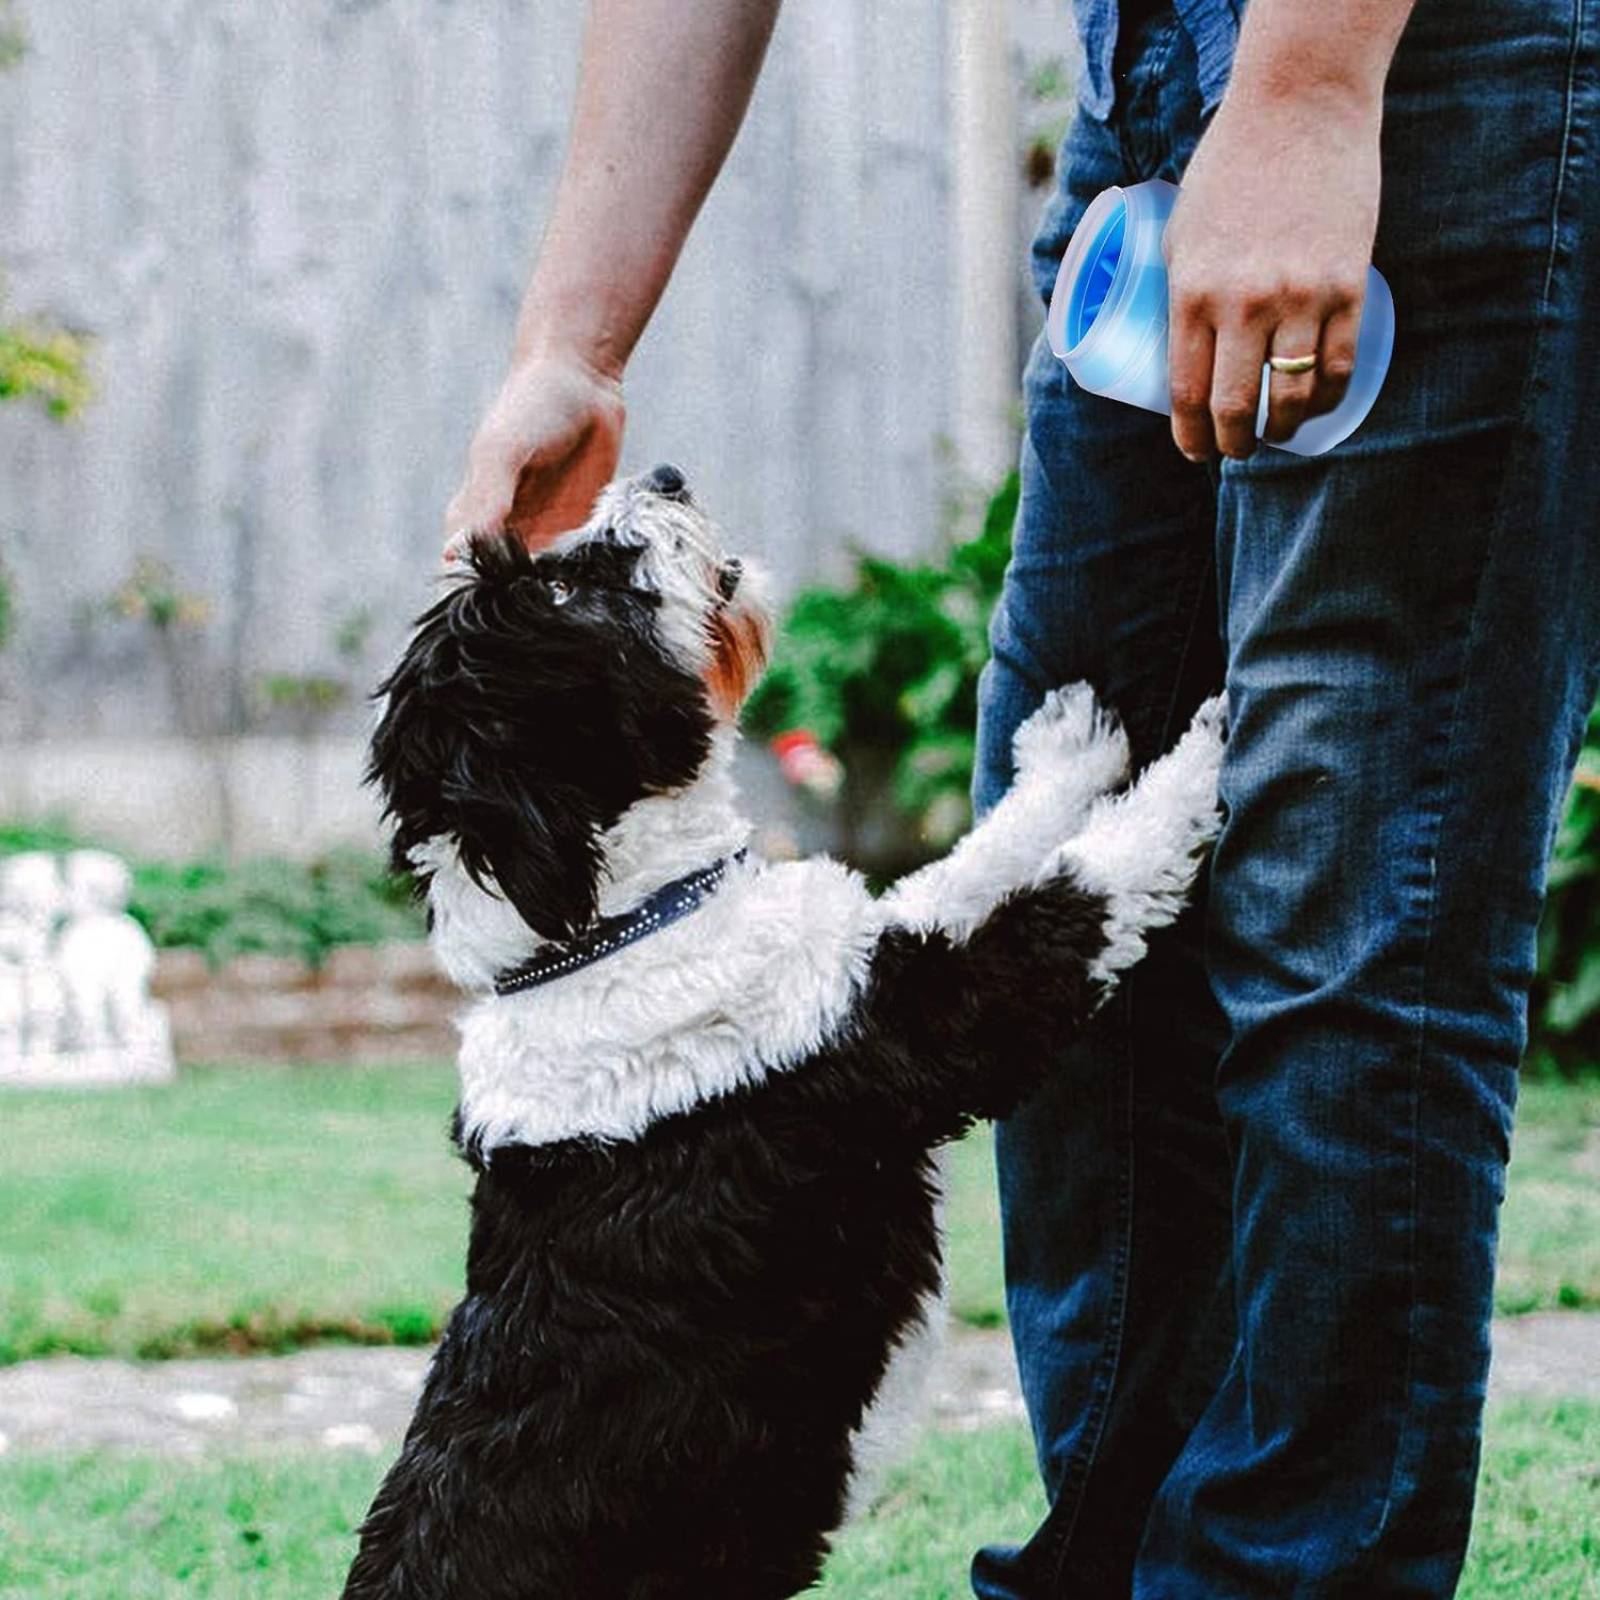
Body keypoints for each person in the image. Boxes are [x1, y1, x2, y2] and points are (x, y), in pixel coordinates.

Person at [443, 0, 1600, 1593]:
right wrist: (571, 342)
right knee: (1069, 888)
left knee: (1348, 913)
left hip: (1433, 68)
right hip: (1146, 81)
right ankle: (1108, 1564)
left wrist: (1313, 85)